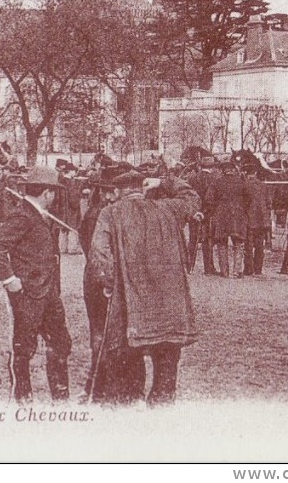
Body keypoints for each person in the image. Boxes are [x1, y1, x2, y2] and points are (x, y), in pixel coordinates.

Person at [85, 172, 201, 406]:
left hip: (132, 311)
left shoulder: (110, 213)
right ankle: (160, 419)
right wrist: (165, 181)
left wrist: (110, 286)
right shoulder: (169, 209)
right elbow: (192, 197)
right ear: (143, 188)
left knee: (128, 378)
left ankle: (131, 417)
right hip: (171, 311)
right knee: (166, 379)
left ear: (118, 192)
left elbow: (98, 255)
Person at [0, 165, 71, 403]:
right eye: (54, 193)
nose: (54, 198)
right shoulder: (23, 214)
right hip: (28, 295)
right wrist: (9, 279)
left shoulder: (35, 214)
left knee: (61, 344)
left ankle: (61, 400)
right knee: (24, 349)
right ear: (47, 193)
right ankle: (23, 399)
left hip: (49, 294)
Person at [206, 162, 249, 277]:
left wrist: (216, 208)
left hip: (221, 216)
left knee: (221, 243)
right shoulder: (241, 182)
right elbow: (248, 199)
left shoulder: (216, 182)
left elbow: (209, 199)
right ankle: (236, 271)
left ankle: (224, 271)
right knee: (238, 243)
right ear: (233, 170)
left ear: (223, 170)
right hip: (237, 215)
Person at [244, 169, 272, 275]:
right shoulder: (264, 186)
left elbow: (243, 204)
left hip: (249, 220)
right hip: (262, 221)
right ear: (255, 173)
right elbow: (269, 203)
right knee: (260, 245)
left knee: (248, 246)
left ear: (245, 173)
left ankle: (248, 269)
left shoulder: (245, 186)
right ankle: (258, 269)